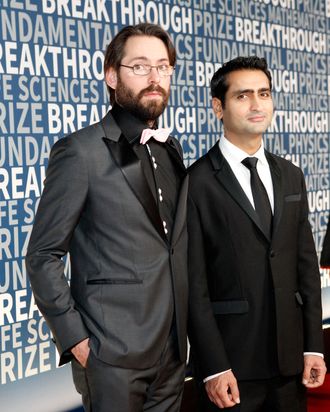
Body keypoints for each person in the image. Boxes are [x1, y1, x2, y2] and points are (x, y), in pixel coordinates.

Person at [26, 23, 189, 412]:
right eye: (140, 66)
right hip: (111, 357)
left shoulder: (172, 151)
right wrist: (78, 342)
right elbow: (42, 255)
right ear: (112, 75)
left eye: (163, 67)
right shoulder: (79, 152)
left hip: (173, 353)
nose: (154, 78)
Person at [187, 56, 326, 411]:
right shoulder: (197, 182)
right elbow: (194, 286)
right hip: (231, 369)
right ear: (218, 107)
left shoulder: (291, 175)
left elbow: (306, 267)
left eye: (263, 93)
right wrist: (214, 366)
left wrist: (313, 346)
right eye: (242, 95)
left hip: (290, 362)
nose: (256, 104)